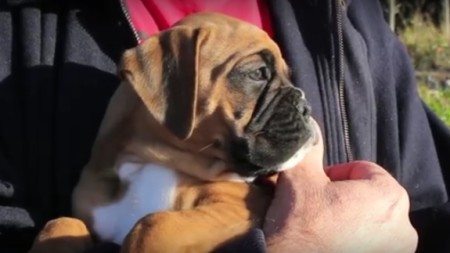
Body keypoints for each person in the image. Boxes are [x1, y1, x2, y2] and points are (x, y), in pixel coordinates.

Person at [0, 0, 448, 252]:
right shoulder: (19, 30)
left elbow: (432, 214)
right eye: (257, 76)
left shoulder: (352, 21)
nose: (299, 105)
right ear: (171, 89)